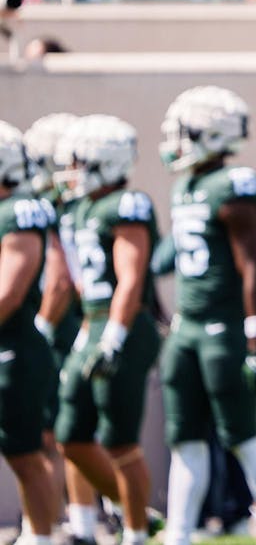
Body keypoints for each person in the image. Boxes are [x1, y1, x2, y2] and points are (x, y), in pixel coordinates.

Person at [158, 86, 256, 545]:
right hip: (186, 328)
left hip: (223, 330)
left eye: (183, 131)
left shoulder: (234, 183)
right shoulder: (185, 185)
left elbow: (251, 264)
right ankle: (179, 534)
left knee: (242, 438)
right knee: (185, 439)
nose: (174, 141)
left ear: (211, 133)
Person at [50, 115, 162, 545]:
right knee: (71, 436)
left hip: (125, 329)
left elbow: (130, 280)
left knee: (120, 442)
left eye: (79, 163)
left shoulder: (127, 204)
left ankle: (134, 534)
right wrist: (86, 331)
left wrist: (113, 336)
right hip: (94, 325)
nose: (71, 173)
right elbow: (83, 283)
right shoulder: (81, 209)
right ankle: (140, 515)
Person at [23, 114, 106, 545]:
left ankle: (70, 525)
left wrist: (37, 328)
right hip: (74, 324)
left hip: (65, 326)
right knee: (65, 433)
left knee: (59, 434)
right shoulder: (76, 206)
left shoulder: (67, 210)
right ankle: (79, 522)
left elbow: (61, 281)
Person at [0, 120, 59, 545]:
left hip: (13, 346)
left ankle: (40, 538)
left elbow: (9, 292)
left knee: (25, 454)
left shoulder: (19, 210)